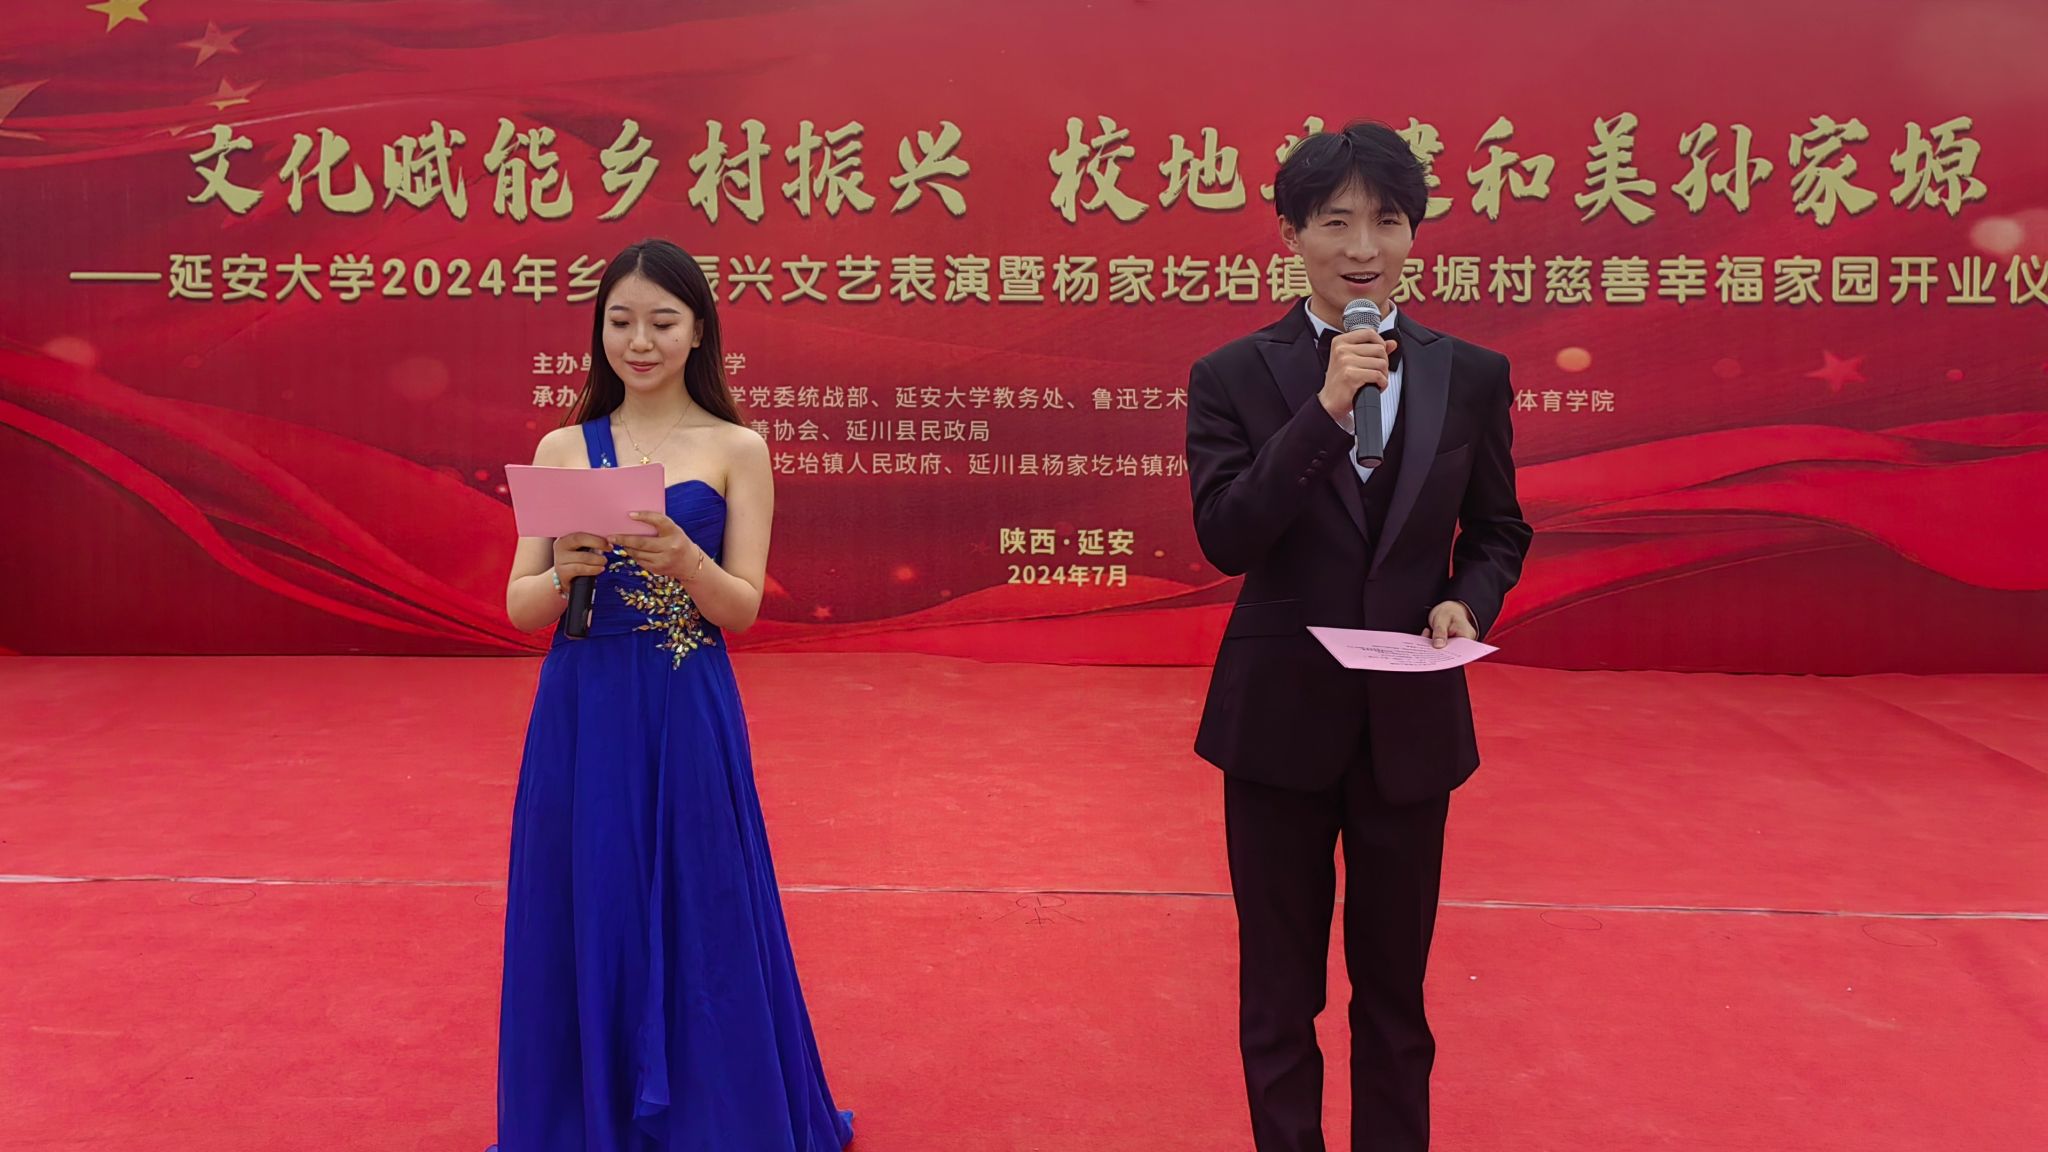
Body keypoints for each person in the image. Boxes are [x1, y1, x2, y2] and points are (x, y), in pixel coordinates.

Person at [1184, 122, 1534, 1152]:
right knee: (1278, 996)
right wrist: (1327, 408)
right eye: (1335, 221)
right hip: (1276, 726)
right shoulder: (1232, 375)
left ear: (1413, 234)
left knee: (1394, 998)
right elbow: (1227, 536)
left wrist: (1467, 602)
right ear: (1291, 234)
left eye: (1386, 221)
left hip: (1409, 728)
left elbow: (1498, 530)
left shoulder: (1470, 373)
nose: (1363, 247)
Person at [492, 238, 853, 1151]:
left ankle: (711, 1113)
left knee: (701, 899)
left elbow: (742, 609)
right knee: (589, 896)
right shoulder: (562, 447)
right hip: (582, 706)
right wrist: (565, 569)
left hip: (686, 702)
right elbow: (521, 607)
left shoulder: (737, 448)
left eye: (661, 322)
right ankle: (591, 1114)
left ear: (698, 331)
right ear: (599, 332)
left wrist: (686, 558)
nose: (639, 342)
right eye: (620, 322)